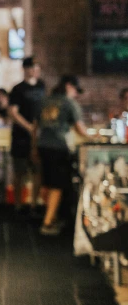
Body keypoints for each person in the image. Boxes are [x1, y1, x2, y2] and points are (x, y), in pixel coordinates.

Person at [35, 75, 88, 236]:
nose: (76, 95)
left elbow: (34, 127)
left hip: (42, 145)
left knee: (47, 182)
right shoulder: (69, 103)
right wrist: (95, 137)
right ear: (69, 86)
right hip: (59, 147)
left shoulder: (44, 101)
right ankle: (48, 222)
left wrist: (33, 148)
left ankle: (51, 215)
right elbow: (80, 129)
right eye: (76, 91)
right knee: (57, 185)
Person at [9, 57, 46, 207]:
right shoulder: (18, 89)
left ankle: (34, 203)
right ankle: (18, 204)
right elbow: (13, 112)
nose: (36, 71)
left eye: (38, 68)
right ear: (25, 69)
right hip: (21, 136)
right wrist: (29, 127)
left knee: (38, 171)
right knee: (20, 172)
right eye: (33, 68)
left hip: (38, 137)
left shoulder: (42, 86)